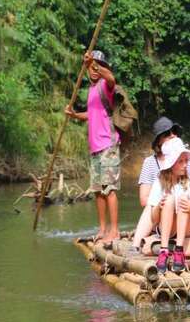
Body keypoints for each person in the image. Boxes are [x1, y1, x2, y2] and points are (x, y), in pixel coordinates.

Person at [64, 50, 120, 245]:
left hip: (108, 144)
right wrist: (73, 115)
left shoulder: (106, 85)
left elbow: (111, 78)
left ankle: (115, 231)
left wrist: (93, 64)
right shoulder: (92, 89)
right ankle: (103, 229)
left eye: (98, 65)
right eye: (91, 66)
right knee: (98, 190)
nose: (94, 70)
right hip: (95, 147)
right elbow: (91, 114)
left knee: (109, 188)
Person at [130, 117, 190, 251]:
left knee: (183, 200)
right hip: (160, 213)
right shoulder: (150, 163)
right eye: (167, 133)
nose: (172, 135)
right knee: (153, 204)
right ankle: (136, 244)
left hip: (185, 209)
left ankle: (177, 246)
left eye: (174, 131)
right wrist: (164, 200)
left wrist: (187, 200)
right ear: (158, 142)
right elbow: (144, 199)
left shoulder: (185, 160)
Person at [150, 137, 190, 273]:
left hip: (188, 227)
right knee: (169, 199)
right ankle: (164, 250)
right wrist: (158, 207)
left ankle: (179, 250)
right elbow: (154, 221)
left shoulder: (189, 182)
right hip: (166, 228)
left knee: (183, 199)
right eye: (181, 161)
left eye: (186, 161)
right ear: (171, 164)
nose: (185, 165)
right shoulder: (158, 183)